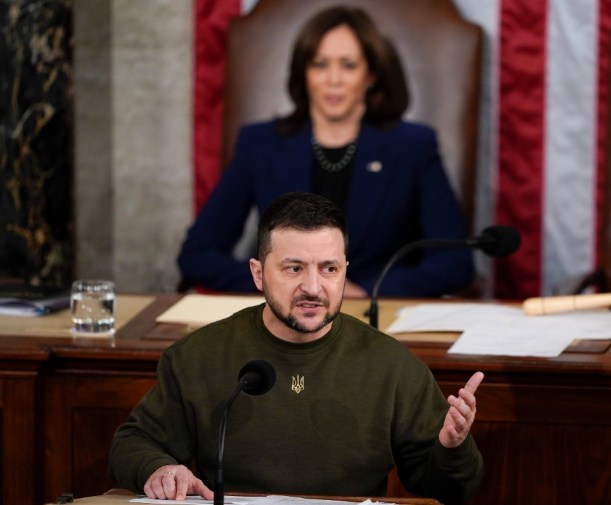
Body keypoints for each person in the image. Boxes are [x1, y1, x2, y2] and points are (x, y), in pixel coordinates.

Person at [110, 192, 484, 504]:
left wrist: (452, 448)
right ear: (258, 273)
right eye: (293, 268)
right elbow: (133, 443)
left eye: (329, 269)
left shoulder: (393, 366)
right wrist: (159, 468)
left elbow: (450, 489)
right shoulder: (198, 355)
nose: (313, 287)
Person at [177, 5, 474, 298]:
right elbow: (198, 254)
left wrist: (366, 292)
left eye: (348, 65)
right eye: (320, 64)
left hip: (373, 318)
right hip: (285, 322)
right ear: (304, 73)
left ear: (370, 75)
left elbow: (454, 263)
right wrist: (279, 285)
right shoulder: (260, 144)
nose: (333, 79)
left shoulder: (413, 146)